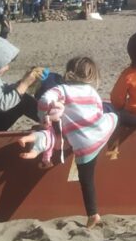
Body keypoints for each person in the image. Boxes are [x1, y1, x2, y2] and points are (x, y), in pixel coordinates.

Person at [18, 56, 118, 229]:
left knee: (86, 180)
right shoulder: (92, 92)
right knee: (116, 116)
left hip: (82, 146)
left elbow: (43, 101)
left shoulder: (61, 90)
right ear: (93, 77)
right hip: (100, 135)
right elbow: (98, 112)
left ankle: (93, 214)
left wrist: (44, 118)